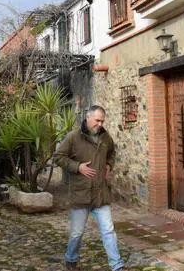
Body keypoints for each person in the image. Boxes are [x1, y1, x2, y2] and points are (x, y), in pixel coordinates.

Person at [53, 105, 129, 271]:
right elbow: (58, 157)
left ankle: (117, 265)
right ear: (87, 118)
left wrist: (109, 165)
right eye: (97, 120)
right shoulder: (73, 137)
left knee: (108, 231)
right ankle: (71, 259)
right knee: (77, 233)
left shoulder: (105, 137)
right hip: (81, 195)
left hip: (101, 194)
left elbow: (112, 152)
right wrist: (77, 166)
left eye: (102, 121)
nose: (100, 124)